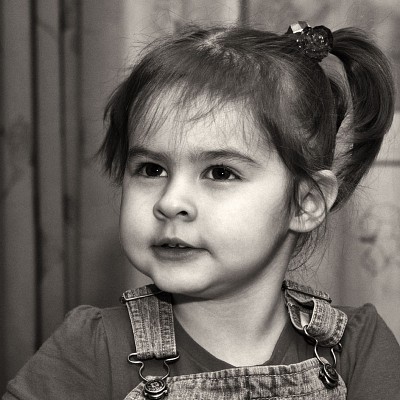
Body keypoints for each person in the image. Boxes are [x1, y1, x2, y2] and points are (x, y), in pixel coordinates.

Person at [4, 21, 400, 399]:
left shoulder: (355, 347)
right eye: (152, 169)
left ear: (305, 202)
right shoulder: (91, 349)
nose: (169, 202)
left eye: (220, 172)